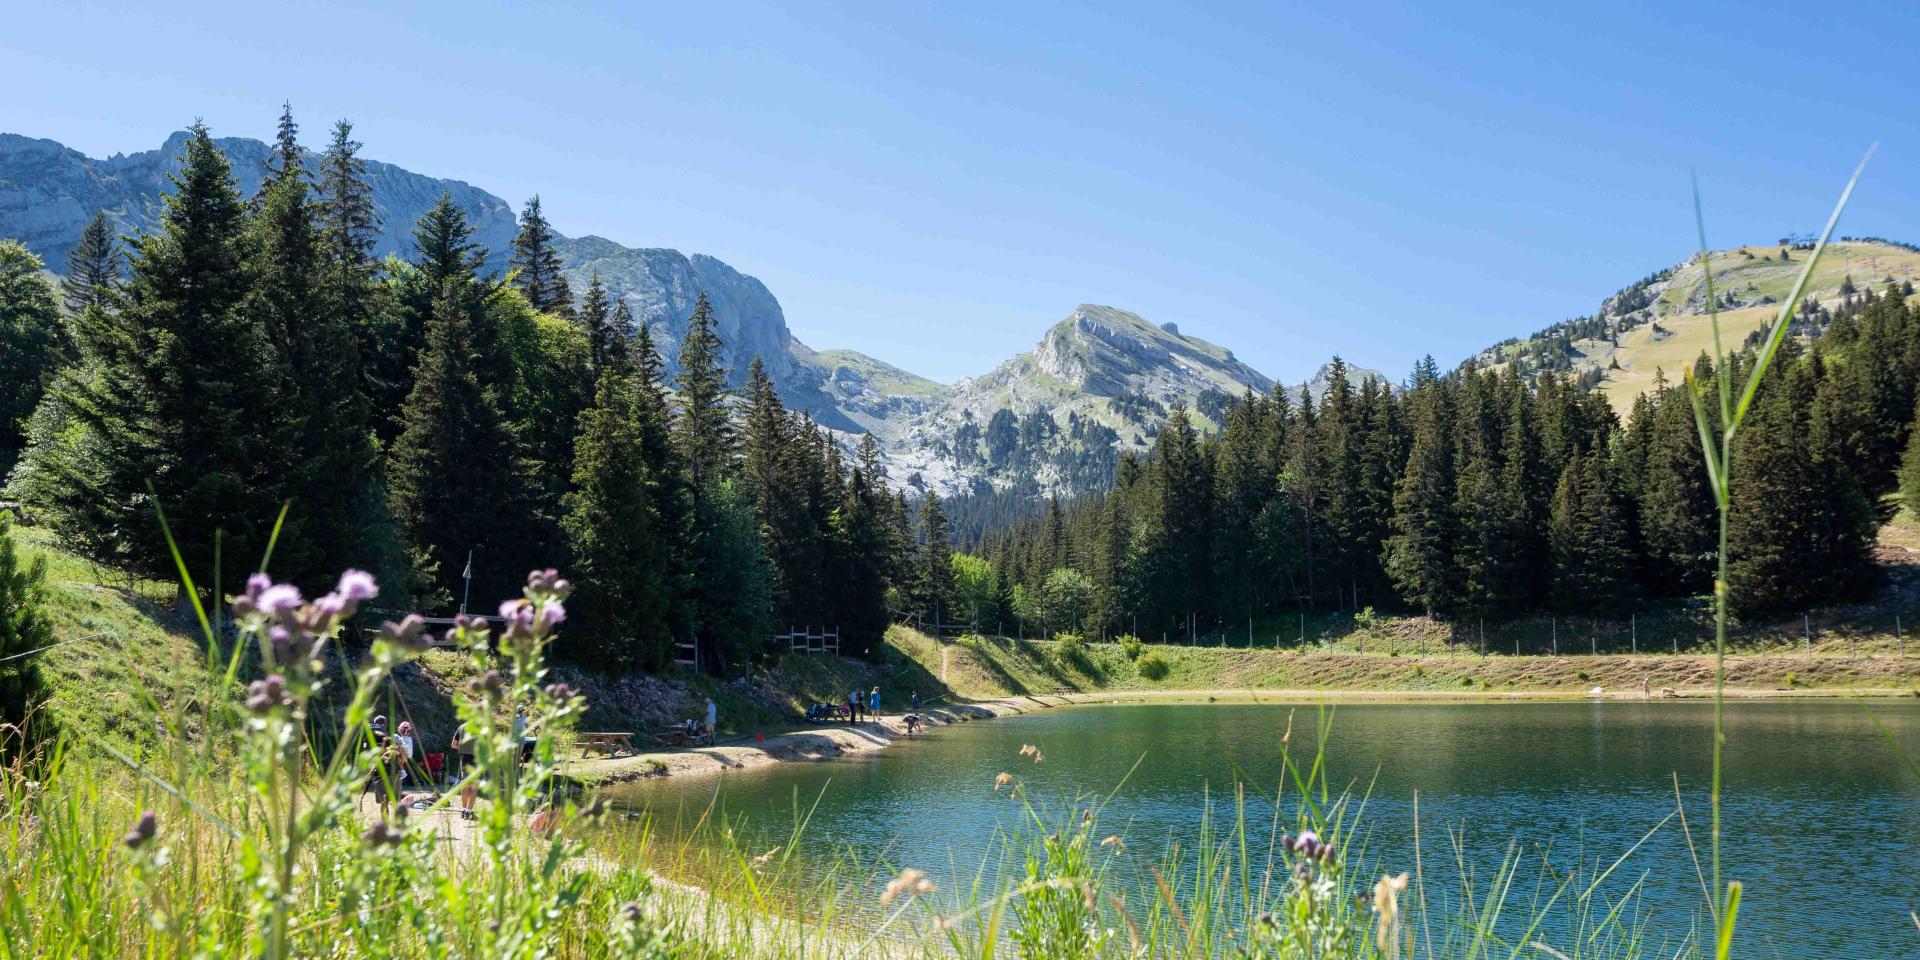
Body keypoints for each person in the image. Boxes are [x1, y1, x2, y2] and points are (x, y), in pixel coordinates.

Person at [396, 721, 418, 786]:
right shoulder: (408, 738)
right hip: (407, 755)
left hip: (405, 755)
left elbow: (404, 747)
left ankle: (403, 774)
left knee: (400, 763)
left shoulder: (404, 738)